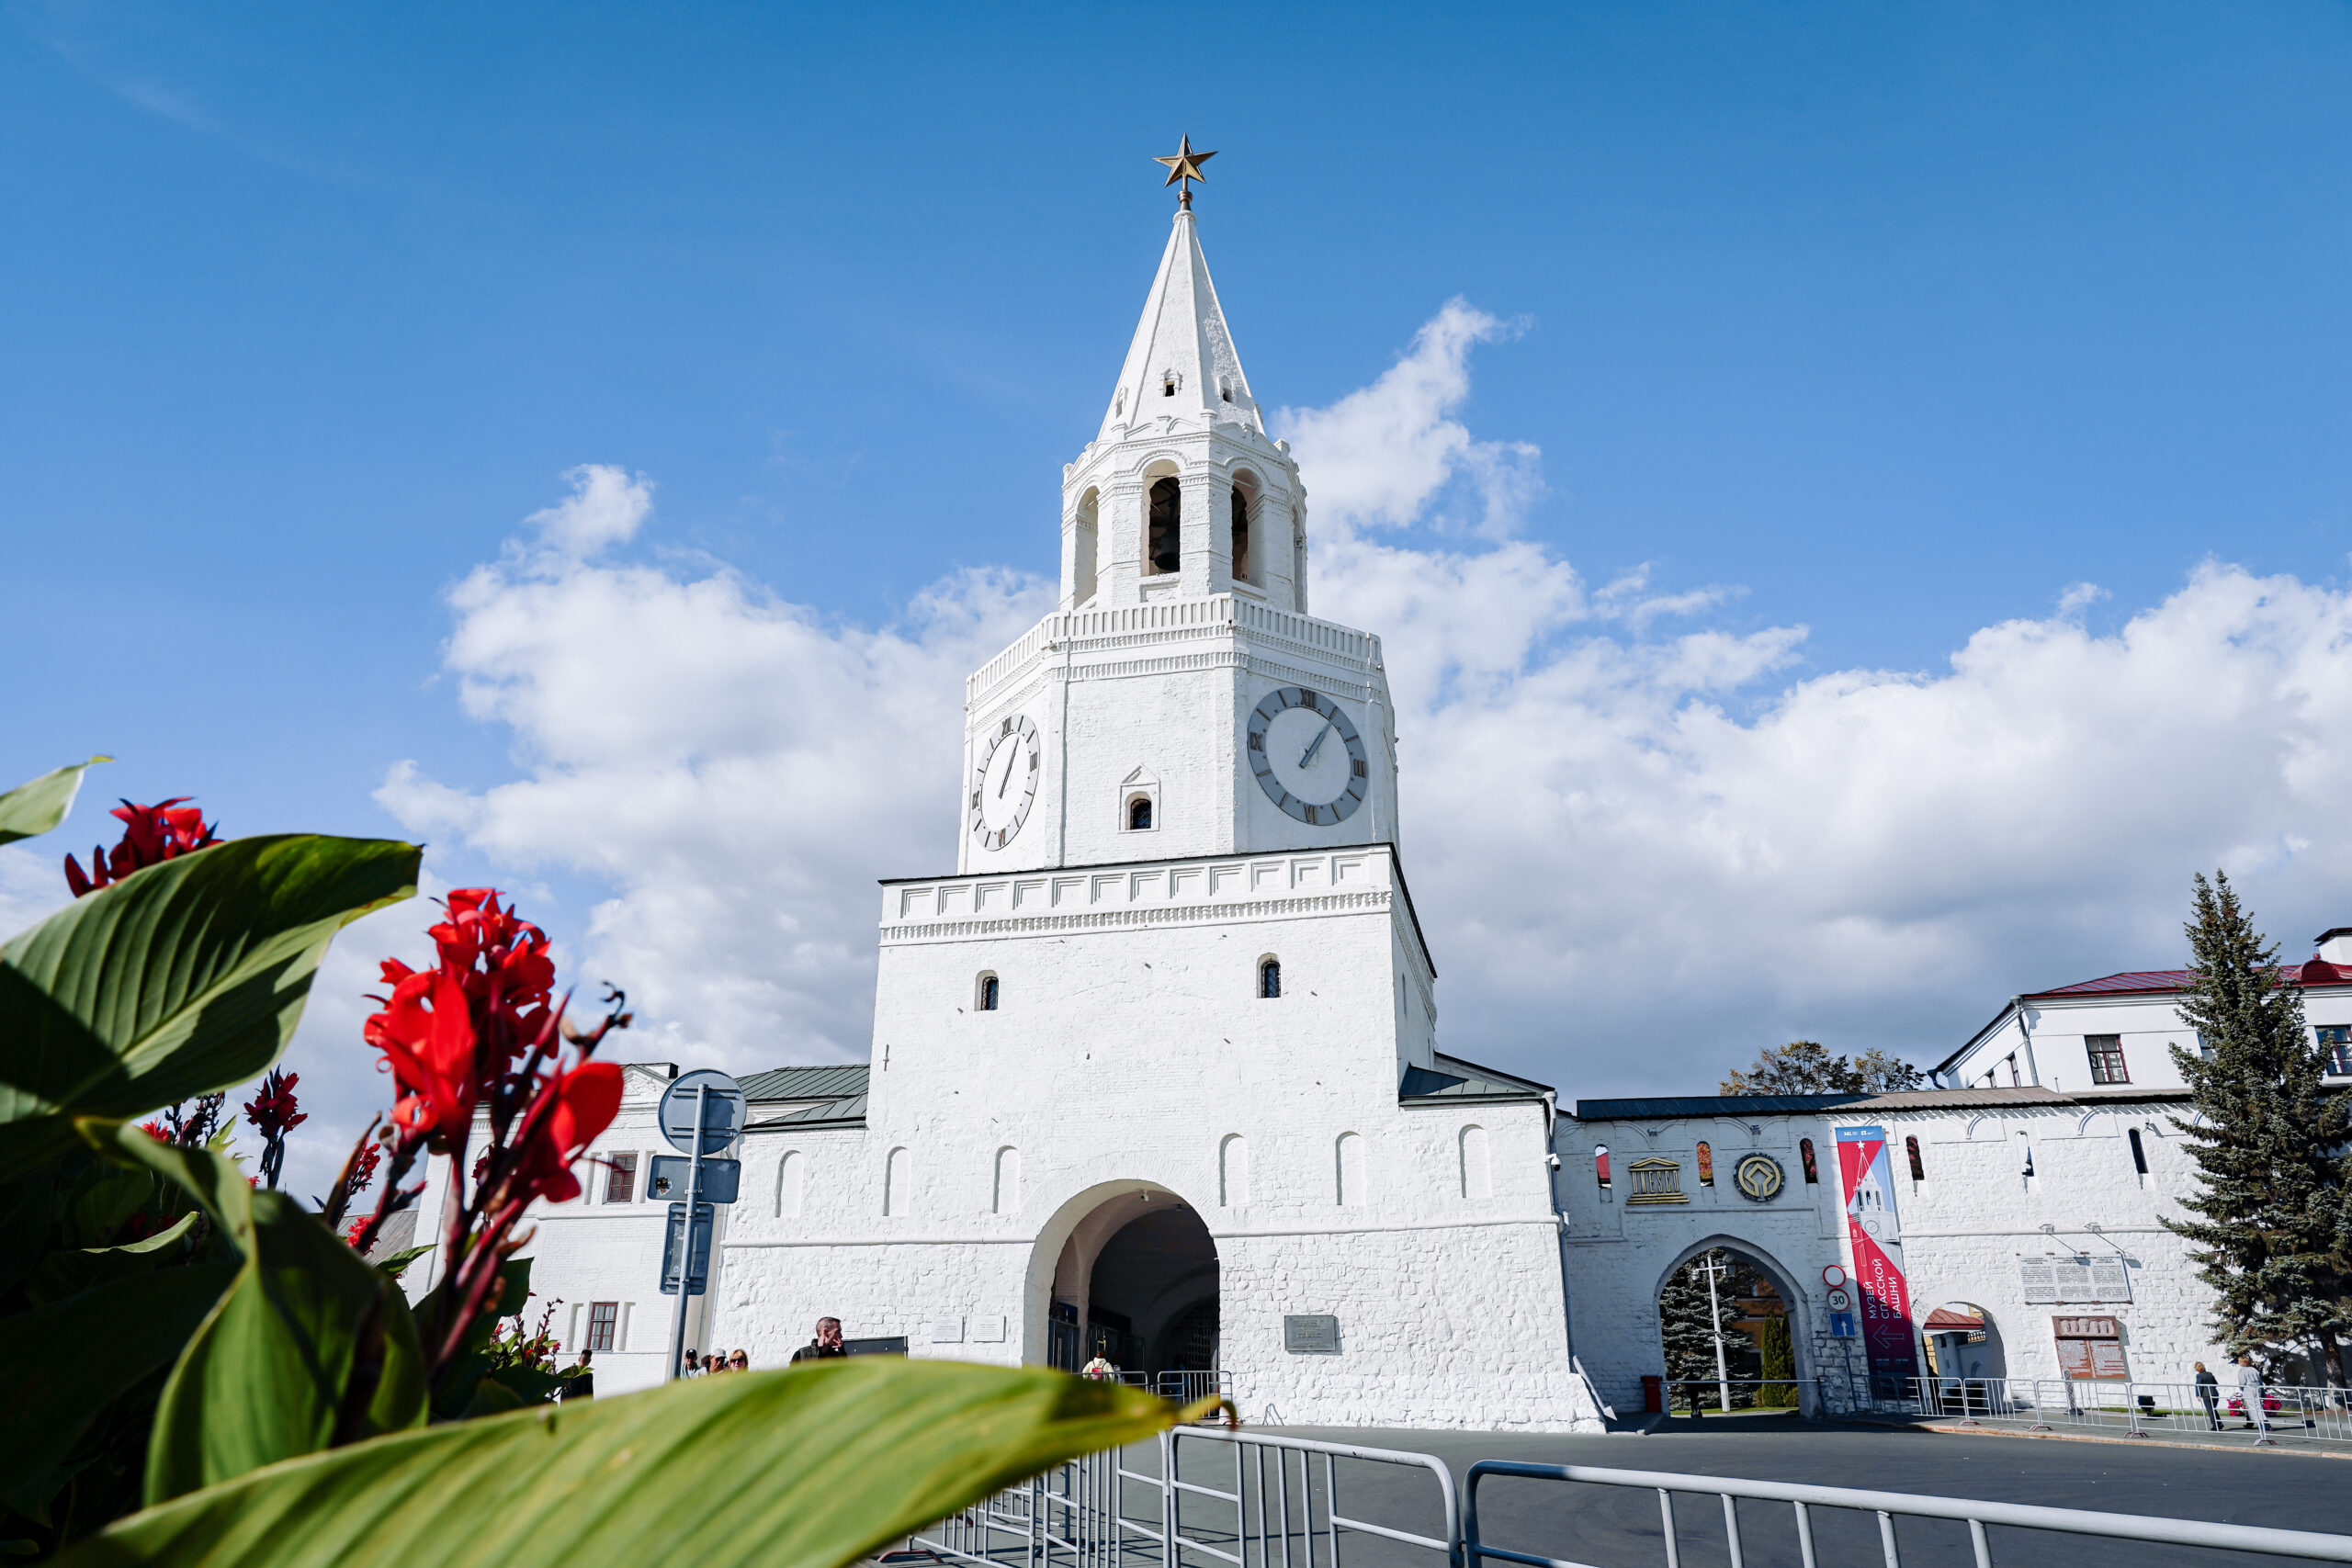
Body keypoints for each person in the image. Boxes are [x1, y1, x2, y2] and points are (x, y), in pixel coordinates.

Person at [2233, 1355, 2270, 1434]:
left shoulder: (2242, 1370)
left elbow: (2242, 1382)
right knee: (2257, 1407)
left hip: (2249, 1391)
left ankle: (2265, 1425)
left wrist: (2242, 1388)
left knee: (2254, 1408)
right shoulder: (2254, 1369)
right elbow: (2260, 1381)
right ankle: (2253, 1424)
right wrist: (2262, 1392)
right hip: (2257, 1390)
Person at [2193, 1362, 2221, 1430]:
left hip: (2206, 1395)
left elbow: (2199, 1386)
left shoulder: (2199, 1376)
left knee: (2210, 1411)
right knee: (2213, 1409)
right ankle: (2219, 1423)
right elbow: (2216, 1383)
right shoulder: (2210, 1374)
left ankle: (2216, 1426)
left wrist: (2198, 1395)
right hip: (2215, 1393)